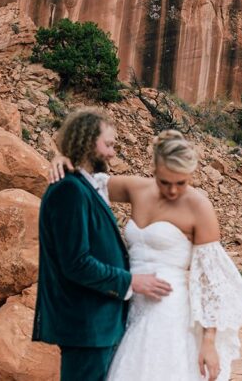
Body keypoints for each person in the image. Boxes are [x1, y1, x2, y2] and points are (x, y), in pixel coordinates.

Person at [49, 128, 242, 381]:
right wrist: (64, 161)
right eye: (164, 182)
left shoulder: (199, 207)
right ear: (154, 170)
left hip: (170, 311)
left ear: (191, 174)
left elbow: (209, 279)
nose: (172, 191)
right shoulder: (136, 189)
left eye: (181, 183)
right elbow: (86, 185)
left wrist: (208, 341)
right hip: (128, 304)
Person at [33, 108, 173, 381]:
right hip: (86, 325)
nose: (112, 153)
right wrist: (132, 281)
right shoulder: (68, 190)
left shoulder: (87, 184)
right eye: (108, 145)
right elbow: (76, 263)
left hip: (98, 324)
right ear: (87, 143)